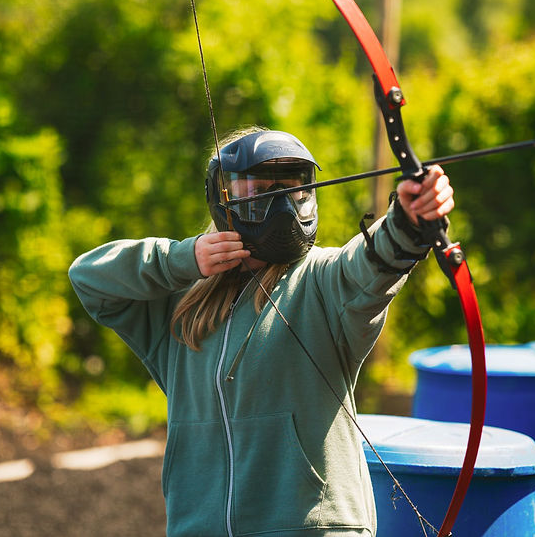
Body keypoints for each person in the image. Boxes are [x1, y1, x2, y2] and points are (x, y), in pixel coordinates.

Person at [69, 128, 456, 537]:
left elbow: (370, 264)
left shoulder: (323, 280)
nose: (281, 205)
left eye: (293, 189)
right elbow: (89, 278)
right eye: (258, 190)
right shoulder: (184, 306)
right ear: (224, 200)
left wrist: (408, 221)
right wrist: (184, 258)